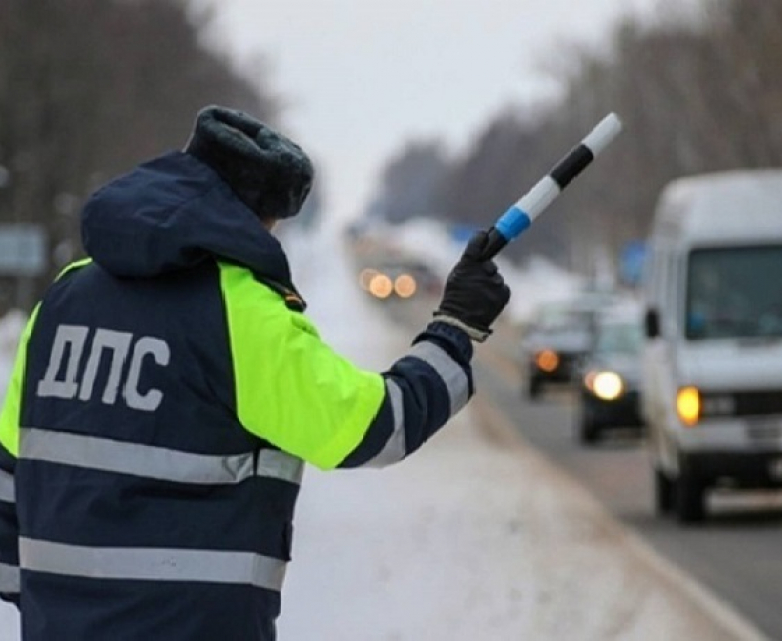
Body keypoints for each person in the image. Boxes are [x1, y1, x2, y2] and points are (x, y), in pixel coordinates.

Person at [0, 105, 510, 640]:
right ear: (254, 218)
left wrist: (57, 609)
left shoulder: (63, 299)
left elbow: (10, 476)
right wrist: (454, 329)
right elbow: (375, 425)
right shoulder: (240, 311)